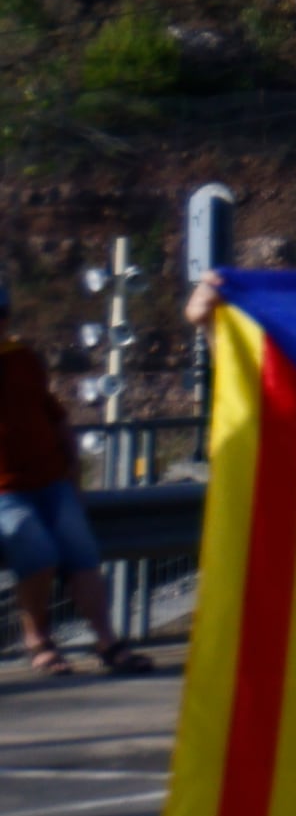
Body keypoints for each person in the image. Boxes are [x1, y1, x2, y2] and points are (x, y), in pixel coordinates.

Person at [0, 275, 146, 678]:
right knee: (37, 550)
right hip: (5, 492)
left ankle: (107, 640)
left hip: (51, 481)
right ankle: (38, 641)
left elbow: (56, 416)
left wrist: (73, 471)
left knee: (82, 557)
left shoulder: (22, 358)